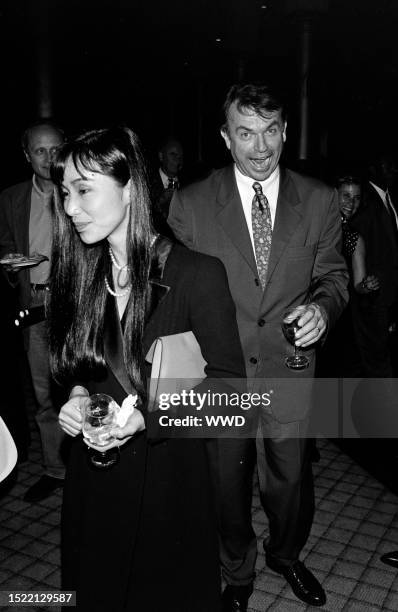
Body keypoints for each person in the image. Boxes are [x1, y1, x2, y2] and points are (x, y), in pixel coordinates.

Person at [48, 125, 246, 612]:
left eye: (83, 190)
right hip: (95, 474)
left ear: (131, 187)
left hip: (168, 477)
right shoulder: (80, 271)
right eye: (65, 193)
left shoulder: (196, 273)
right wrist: (75, 396)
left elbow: (231, 390)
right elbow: (80, 365)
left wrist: (149, 418)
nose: (69, 208)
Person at [169, 82, 348, 610]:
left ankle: (286, 555)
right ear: (226, 138)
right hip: (220, 375)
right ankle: (237, 571)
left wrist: (323, 307)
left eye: (270, 130)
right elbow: (175, 296)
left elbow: (334, 278)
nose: (261, 146)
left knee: (289, 481)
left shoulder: (320, 200)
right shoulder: (191, 204)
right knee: (226, 486)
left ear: (285, 130)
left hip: (288, 369)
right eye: (246, 133)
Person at [0, 119, 66, 502]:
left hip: (74, 305)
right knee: (44, 397)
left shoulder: (81, 189)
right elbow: (5, 245)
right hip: (36, 303)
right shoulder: (10, 198)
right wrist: (9, 265)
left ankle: (95, 470)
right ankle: (56, 470)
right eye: (40, 150)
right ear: (27, 155)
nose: (48, 158)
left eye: (55, 149)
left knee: (85, 389)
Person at [348, 155, 398, 377]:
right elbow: (353, 247)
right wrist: (366, 287)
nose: (394, 168)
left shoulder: (389, 198)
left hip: (386, 300)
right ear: (373, 167)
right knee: (375, 368)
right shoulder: (362, 202)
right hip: (370, 305)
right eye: (388, 163)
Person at [150, 138, 184, 237]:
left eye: (181, 156)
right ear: (161, 156)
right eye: (173, 154)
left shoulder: (189, 185)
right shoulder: (146, 183)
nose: (178, 159)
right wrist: (160, 204)